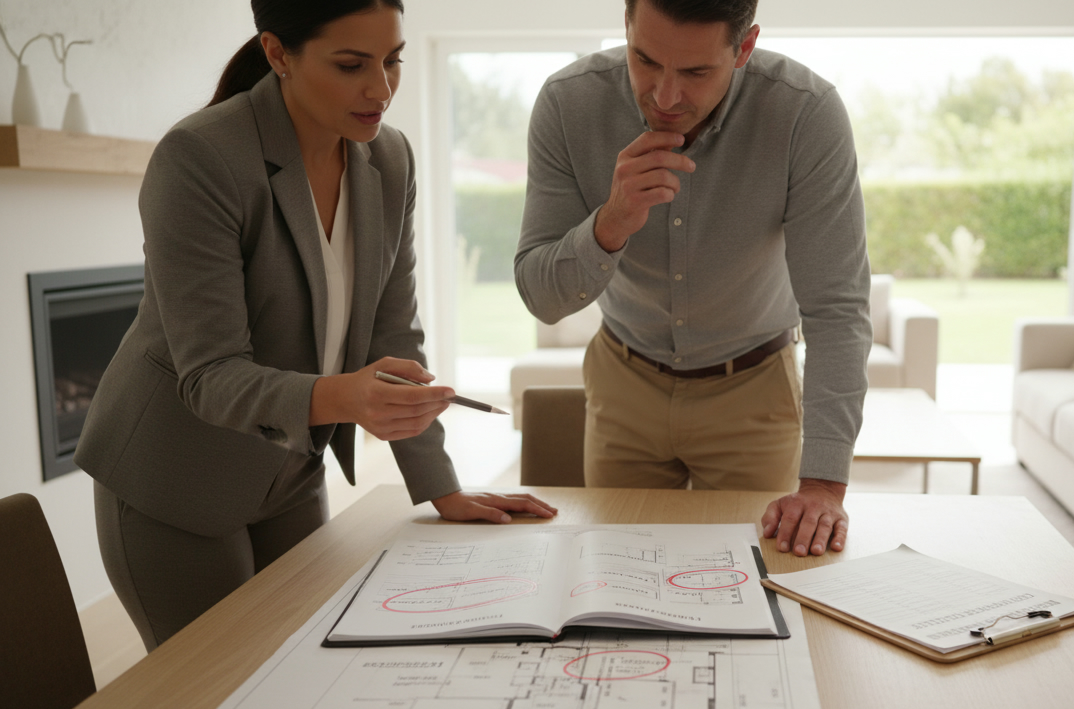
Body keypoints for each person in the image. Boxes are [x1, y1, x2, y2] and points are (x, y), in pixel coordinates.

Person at [75, 0, 555, 652]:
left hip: (290, 473)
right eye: (353, 64)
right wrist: (348, 398)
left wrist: (440, 485)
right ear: (277, 54)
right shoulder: (200, 158)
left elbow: (393, 337)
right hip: (174, 480)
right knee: (215, 703)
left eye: (393, 61)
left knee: (304, 663)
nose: (381, 89)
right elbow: (210, 375)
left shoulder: (389, 158)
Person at [514, 0, 871, 558]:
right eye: (645, 60)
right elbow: (541, 297)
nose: (665, 96)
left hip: (754, 388)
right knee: (613, 578)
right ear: (625, 27)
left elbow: (837, 309)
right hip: (623, 380)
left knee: (761, 585)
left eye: (697, 72)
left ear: (744, 48)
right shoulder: (567, 104)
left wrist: (825, 484)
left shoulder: (806, 113)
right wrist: (609, 225)